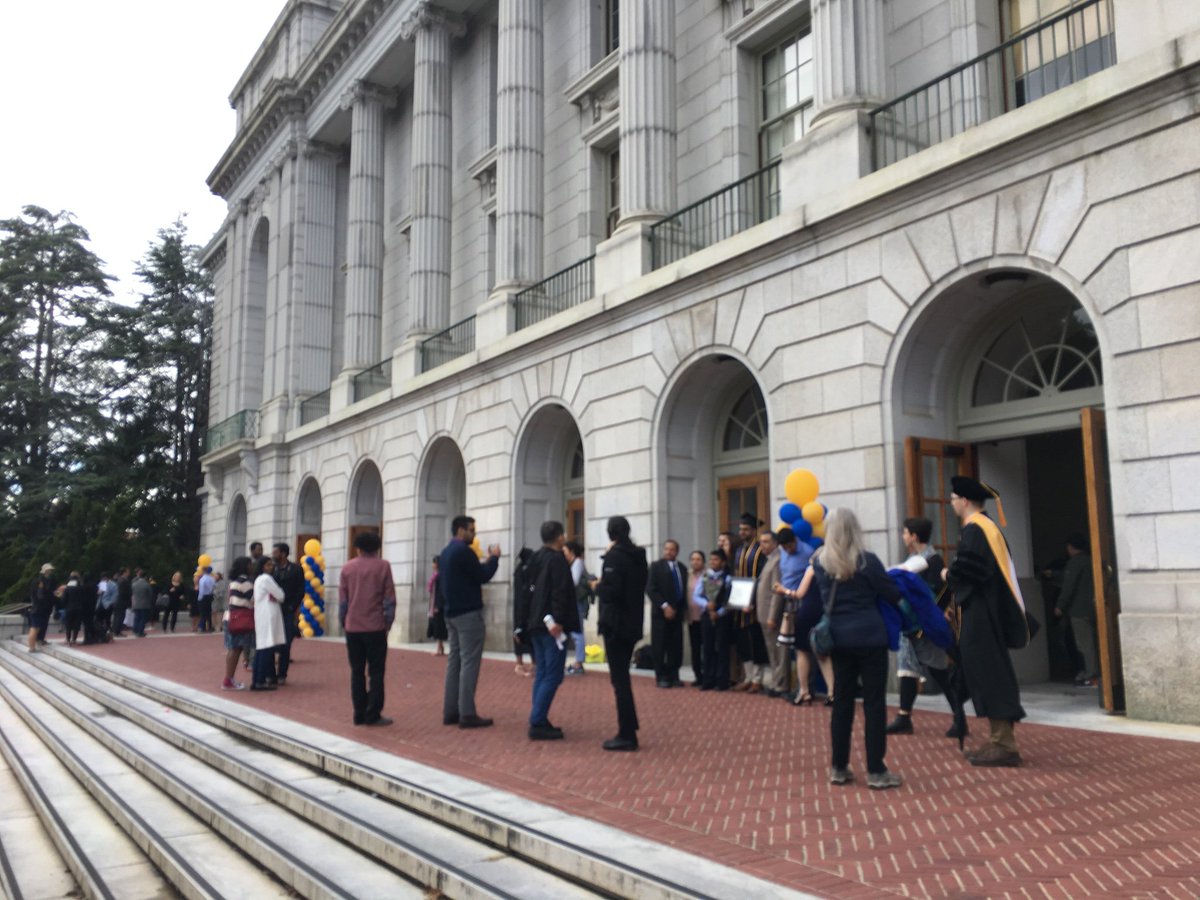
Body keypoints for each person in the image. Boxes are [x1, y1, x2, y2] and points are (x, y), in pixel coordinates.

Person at [809, 508, 903, 789]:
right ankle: (876, 769)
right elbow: (892, 593)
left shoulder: (820, 563)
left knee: (842, 702)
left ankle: (839, 766)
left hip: (839, 639)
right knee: (874, 705)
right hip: (871, 637)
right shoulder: (867, 561)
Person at [945, 476, 1028, 768]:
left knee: (990, 672)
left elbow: (968, 571)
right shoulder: (985, 528)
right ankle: (998, 740)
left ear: (964, 501)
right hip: (984, 610)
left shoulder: (977, 530)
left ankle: (1004, 745)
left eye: (953, 499)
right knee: (986, 671)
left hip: (982, 613)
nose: (952, 504)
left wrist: (948, 576)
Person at [886, 518, 964, 738]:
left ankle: (960, 718)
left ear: (914, 536)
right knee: (908, 670)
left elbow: (943, 589)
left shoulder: (932, 560)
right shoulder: (912, 560)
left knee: (939, 672)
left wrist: (938, 611)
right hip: (910, 625)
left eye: (905, 533)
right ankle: (904, 717)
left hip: (927, 625)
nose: (903, 536)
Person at [438, 516, 501, 728]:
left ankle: (450, 711)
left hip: (451, 612)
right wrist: (494, 559)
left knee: (454, 661)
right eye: (471, 530)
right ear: (461, 530)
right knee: (469, 663)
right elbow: (482, 575)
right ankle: (467, 712)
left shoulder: (446, 552)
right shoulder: (464, 552)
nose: (474, 534)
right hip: (467, 613)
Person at [595, 516, 648, 751]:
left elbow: (611, 591)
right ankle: (629, 727)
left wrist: (597, 585)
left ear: (610, 533)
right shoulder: (638, 556)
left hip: (615, 624)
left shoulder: (615, 557)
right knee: (622, 678)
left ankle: (626, 733)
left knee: (620, 681)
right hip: (632, 622)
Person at [525, 521, 580, 740]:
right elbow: (560, 591)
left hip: (536, 621)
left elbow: (528, 590)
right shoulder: (556, 559)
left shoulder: (536, 558)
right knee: (553, 674)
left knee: (542, 671)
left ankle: (539, 715)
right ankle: (537, 720)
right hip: (551, 625)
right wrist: (557, 619)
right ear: (559, 537)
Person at [339, 530, 397, 726]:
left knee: (356, 671)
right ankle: (373, 712)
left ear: (358, 547)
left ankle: (358, 712)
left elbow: (343, 601)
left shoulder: (347, 568)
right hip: (375, 626)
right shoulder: (383, 566)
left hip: (353, 626)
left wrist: (343, 621)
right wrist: (387, 623)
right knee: (376, 671)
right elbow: (389, 599)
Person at [768, 527, 815, 701]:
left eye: (790, 546)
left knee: (805, 646)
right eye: (785, 548)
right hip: (786, 601)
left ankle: (807, 686)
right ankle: (797, 684)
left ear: (795, 540)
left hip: (803, 601)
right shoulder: (781, 551)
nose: (789, 550)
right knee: (790, 644)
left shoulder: (807, 553)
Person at [731, 514, 770, 693]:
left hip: (754, 604)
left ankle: (758, 679)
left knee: (756, 641)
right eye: (741, 530)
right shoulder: (739, 550)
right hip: (740, 604)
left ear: (754, 531)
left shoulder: (760, 551)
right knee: (742, 641)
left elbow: (761, 579)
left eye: (746, 530)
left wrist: (752, 600)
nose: (742, 532)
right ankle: (747, 677)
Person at [1055, 532, 1098, 687]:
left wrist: (1060, 605)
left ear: (1070, 547)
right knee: (1094, 642)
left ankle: (1091, 675)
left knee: (1084, 644)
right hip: (1094, 607)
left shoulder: (1076, 563)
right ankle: (1094, 673)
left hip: (1079, 610)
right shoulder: (1091, 561)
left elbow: (1069, 586)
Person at [646, 539, 688, 688]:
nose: (668, 552)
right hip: (661, 614)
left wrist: (679, 609)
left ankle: (674, 674)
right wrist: (665, 606)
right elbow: (651, 589)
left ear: (677, 552)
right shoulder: (656, 567)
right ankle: (661, 676)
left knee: (675, 646)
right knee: (660, 645)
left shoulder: (682, 568)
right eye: (666, 549)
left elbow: (684, 590)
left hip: (677, 613)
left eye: (672, 550)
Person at [271, 543, 306, 684]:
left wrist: (293, 606)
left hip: (288, 610)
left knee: (285, 643)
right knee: (271, 643)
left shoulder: (296, 569)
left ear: (284, 554)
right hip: (272, 610)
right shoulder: (270, 569)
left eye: (276, 552)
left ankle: (282, 674)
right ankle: (271, 673)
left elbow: (300, 590)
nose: (273, 555)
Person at [752, 531, 782, 695]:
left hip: (771, 615)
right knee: (771, 650)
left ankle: (779, 684)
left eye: (765, 542)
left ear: (775, 543)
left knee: (777, 651)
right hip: (762, 613)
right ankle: (776, 682)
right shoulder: (768, 559)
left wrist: (772, 616)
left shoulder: (777, 560)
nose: (762, 545)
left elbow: (776, 591)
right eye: (760, 542)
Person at [699, 550, 733, 691]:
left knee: (722, 648)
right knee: (707, 647)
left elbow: (730, 599)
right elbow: (697, 595)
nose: (713, 562)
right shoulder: (705, 576)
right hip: (707, 614)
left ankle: (722, 680)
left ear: (723, 562)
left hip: (722, 616)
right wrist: (706, 604)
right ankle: (708, 678)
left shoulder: (728, 578)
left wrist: (719, 612)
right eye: (711, 559)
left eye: (716, 560)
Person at [252, 557, 286, 691]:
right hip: (268, 615)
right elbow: (281, 595)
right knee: (266, 648)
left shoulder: (258, 579)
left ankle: (258, 679)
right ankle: (260, 680)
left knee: (262, 647)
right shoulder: (266, 579)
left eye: (271, 564)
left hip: (262, 615)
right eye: (268, 565)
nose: (271, 567)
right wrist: (277, 595)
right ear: (262, 566)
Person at [221, 558, 256, 691]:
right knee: (236, 649)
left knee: (232, 648)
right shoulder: (245, 582)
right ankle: (228, 679)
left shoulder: (233, 582)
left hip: (230, 616)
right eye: (250, 565)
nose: (252, 567)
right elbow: (253, 599)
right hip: (241, 618)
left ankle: (228, 678)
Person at [563, 541, 589, 676]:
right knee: (574, 631)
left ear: (572, 551)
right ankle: (578, 661)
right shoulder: (573, 563)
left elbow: (574, 581)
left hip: (577, 602)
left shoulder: (578, 562)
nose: (564, 554)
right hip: (574, 602)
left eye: (565, 551)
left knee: (577, 631)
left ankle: (579, 662)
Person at [511, 547, 535, 676]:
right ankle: (519, 663)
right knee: (519, 634)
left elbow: (532, 586)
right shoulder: (521, 571)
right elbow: (528, 588)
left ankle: (532, 662)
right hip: (522, 607)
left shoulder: (526, 570)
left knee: (530, 635)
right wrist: (532, 590)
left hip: (527, 607)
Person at [685, 550, 706, 686]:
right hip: (692, 617)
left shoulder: (708, 576)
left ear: (703, 561)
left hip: (704, 616)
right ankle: (698, 675)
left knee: (707, 647)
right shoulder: (687, 575)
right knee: (695, 648)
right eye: (692, 559)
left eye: (698, 559)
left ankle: (708, 674)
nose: (695, 562)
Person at [28, 564, 56, 651]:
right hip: (39, 608)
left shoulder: (47, 580)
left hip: (43, 608)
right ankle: (32, 647)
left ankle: (38, 641)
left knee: (40, 626)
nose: (50, 572)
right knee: (35, 628)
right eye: (49, 570)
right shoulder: (40, 582)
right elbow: (40, 596)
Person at [425, 556, 447, 655]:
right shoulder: (435, 575)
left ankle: (439, 648)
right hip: (434, 603)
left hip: (438, 605)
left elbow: (441, 592)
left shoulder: (440, 576)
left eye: (434, 562)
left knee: (439, 627)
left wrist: (438, 605)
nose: (432, 564)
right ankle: (440, 647)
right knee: (436, 626)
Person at [61, 571, 86, 645]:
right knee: (76, 624)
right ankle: (74, 639)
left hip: (69, 608)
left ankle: (68, 639)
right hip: (78, 608)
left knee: (68, 624)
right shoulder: (80, 588)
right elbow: (83, 598)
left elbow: (64, 599)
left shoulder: (67, 588)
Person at [130, 569, 154, 637]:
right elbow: (150, 594)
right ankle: (140, 631)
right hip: (145, 604)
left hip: (136, 603)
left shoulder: (134, 584)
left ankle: (135, 629)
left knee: (137, 617)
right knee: (143, 619)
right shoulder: (147, 585)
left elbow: (132, 594)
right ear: (145, 577)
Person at [112, 567, 132, 637]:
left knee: (118, 616)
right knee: (120, 616)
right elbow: (123, 592)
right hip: (121, 601)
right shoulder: (123, 581)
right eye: (128, 572)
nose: (129, 573)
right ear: (124, 572)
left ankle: (115, 630)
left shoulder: (119, 580)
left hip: (119, 600)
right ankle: (117, 631)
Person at [196, 566, 216, 633]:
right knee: (208, 612)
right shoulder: (212, 579)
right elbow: (214, 587)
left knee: (202, 612)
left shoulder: (203, 579)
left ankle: (202, 627)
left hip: (203, 597)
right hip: (210, 596)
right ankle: (209, 626)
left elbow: (201, 590)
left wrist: (200, 598)